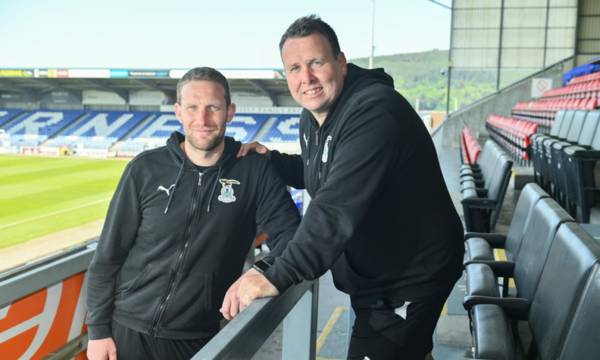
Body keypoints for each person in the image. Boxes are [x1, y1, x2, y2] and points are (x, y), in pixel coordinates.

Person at [221, 15, 464, 359]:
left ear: (341, 62)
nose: (306, 78)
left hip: (408, 278)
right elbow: (321, 175)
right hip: (379, 272)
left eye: (316, 62)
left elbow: (335, 207)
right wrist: (273, 160)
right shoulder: (313, 117)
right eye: (294, 68)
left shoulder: (375, 111)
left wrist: (274, 275)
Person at [86, 67, 300, 360]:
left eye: (213, 107)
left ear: (230, 112)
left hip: (196, 337)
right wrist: (98, 331)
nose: (202, 119)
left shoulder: (254, 171)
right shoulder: (145, 169)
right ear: (178, 111)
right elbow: (108, 256)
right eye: (192, 108)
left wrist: (260, 272)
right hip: (126, 331)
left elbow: (294, 239)